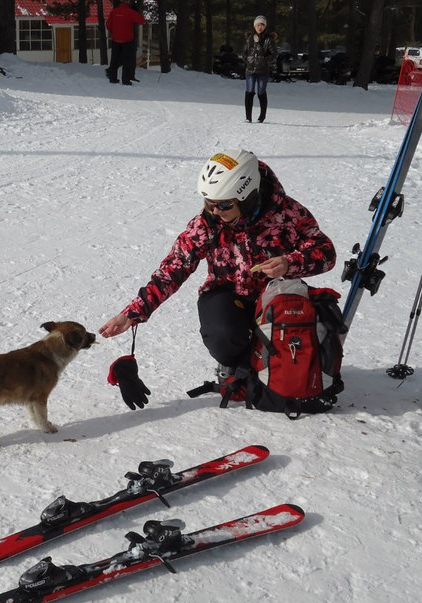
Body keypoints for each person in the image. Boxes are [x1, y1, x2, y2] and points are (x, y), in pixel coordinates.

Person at [99, 150, 336, 397]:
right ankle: (240, 367)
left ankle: (276, 369)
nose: (215, 211)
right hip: (227, 292)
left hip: (274, 296)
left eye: (224, 205)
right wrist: (133, 313)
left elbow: (325, 252)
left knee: (290, 332)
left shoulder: (287, 214)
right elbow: (174, 267)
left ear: (247, 197)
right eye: (209, 203)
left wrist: (290, 263)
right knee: (222, 335)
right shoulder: (207, 224)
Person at [242, 15, 277, 122]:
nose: (260, 27)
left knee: (261, 92)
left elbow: (274, 54)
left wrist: (265, 60)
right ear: (254, 26)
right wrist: (247, 60)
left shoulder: (269, 39)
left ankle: (262, 116)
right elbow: (244, 52)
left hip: (263, 71)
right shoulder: (249, 38)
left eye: (262, 25)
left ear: (265, 26)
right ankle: (248, 117)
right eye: (258, 25)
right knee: (249, 92)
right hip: (250, 70)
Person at [105, 0, 146, 86]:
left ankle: (113, 78)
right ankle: (125, 80)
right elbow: (142, 21)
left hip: (116, 39)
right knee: (127, 60)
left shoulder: (114, 12)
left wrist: (114, 32)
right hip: (127, 40)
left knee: (114, 59)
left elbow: (108, 25)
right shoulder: (130, 12)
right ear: (128, 3)